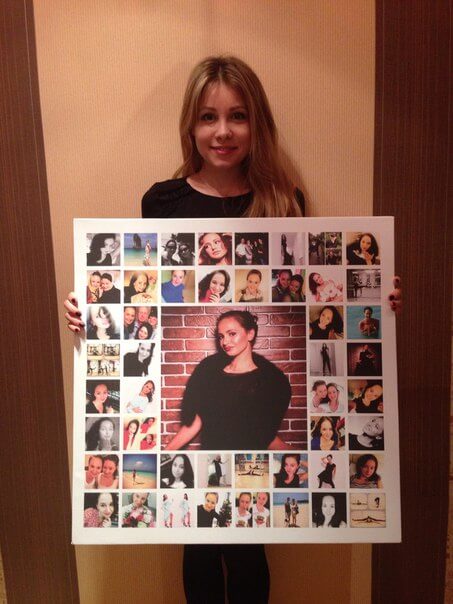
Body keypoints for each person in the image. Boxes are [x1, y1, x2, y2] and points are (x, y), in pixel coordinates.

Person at [64, 54, 401, 604]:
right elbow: (143, 293)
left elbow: (313, 294)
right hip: (200, 458)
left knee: (248, 551)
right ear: (191, 126)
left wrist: (376, 303)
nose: (222, 131)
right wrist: (94, 312)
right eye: (208, 117)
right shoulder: (162, 202)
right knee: (196, 548)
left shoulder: (282, 202)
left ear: (256, 123)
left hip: (255, 461)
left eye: (237, 116)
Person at [165, 310, 292, 451]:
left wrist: (300, 457)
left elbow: (264, 436)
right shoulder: (209, 374)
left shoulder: (269, 383)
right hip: (212, 456)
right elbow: (197, 420)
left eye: (232, 334)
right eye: (221, 336)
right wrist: (166, 452)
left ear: (250, 334)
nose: (225, 342)